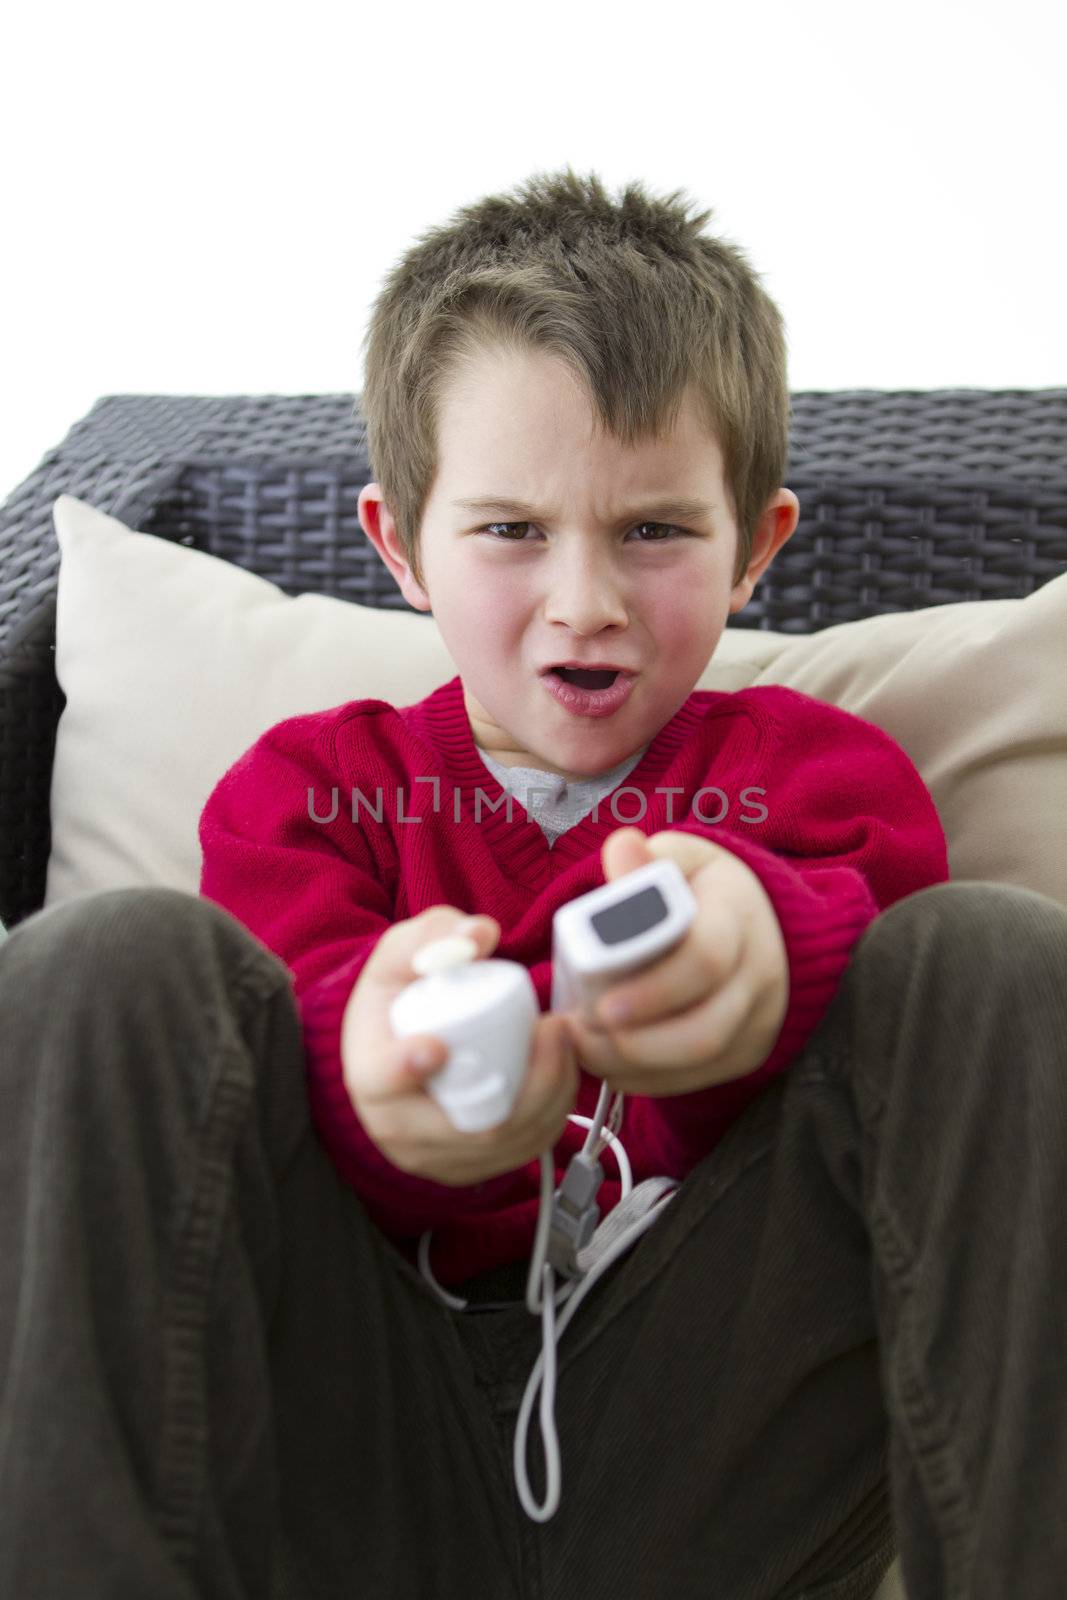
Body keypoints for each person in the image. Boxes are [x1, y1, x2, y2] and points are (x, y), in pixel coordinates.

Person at [1, 168, 1065, 1600]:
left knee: (990, 957)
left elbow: (882, 1021)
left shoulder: (828, 778)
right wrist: (373, 1083)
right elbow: (251, 1102)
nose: (586, 600)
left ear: (756, 547)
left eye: (654, 531)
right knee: (109, 961)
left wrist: (763, 965)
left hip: (712, 1442)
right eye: (510, 531)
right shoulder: (307, 793)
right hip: (348, 1438)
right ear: (401, 548)